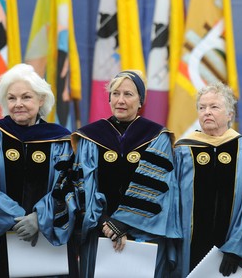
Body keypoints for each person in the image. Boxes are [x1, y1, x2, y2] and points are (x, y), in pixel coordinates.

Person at [0, 63, 77, 278]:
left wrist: (40, 218)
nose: (18, 104)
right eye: (11, 98)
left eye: (26, 97)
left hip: (45, 239)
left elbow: (67, 185)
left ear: (41, 100)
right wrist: (18, 218)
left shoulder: (61, 140)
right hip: (0, 237)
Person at [72, 70, 181, 278]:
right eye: (115, 93)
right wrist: (105, 221)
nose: (121, 100)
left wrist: (122, 223)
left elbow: (157, 188)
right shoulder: (90, 136)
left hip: (144, 237)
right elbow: (84, 188)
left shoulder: (157, 137)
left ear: (141, 100)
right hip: (100, 234)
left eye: (128, 94)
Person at [173, 81, 242, 277]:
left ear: (230, 114)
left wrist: (237, 247)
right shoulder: (183, 150)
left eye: (214, 107)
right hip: (188, 246)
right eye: (202, 107)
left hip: (236, 251)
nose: (207, 112)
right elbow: (172, 203)